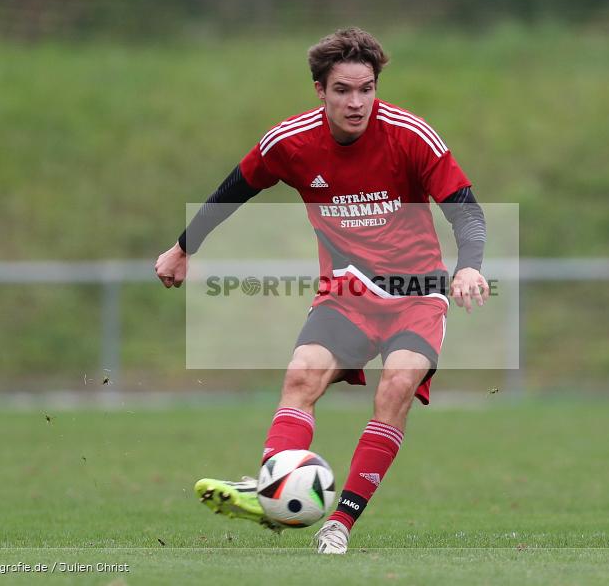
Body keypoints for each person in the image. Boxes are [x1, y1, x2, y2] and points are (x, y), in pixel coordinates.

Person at [154, 27, 489, 554]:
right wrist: (182, 247)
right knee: (301, 375)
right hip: (347, 292)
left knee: (395, 388)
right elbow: (234, 189)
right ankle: (272, 488)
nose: (356, 103)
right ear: (320, 91)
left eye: (366, 89)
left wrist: (469, 266)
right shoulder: (290, 143)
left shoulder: (409, 134)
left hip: (417, 293)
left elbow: (465, 207)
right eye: (343, 90)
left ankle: (341, 524)